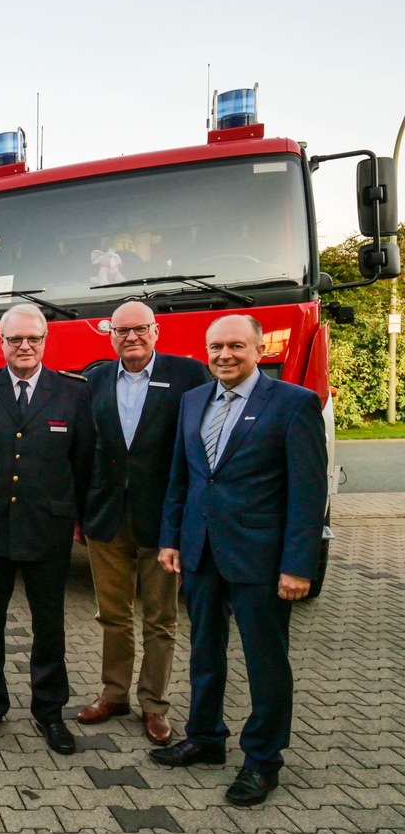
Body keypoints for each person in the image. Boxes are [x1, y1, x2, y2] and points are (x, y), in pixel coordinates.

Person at [153, 313, 326, 806]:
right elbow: (182, 479)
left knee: (265, 662)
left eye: (235, 346)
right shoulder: (192, 401)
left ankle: (262, 760)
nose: (224, 355)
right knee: (205, 653)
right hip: (202, 552)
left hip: (261, 559)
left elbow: (307, 495)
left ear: (258, 349)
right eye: (215, 347)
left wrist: (298, 565)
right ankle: (206, 738)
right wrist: (172, 539)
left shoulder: (294, 404)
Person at [0, 303, 94, 755]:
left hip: (47, 527)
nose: (24, 346)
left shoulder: (73, 393)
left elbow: (84, 461)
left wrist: (80, 518)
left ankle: (50, 711)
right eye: (15, 339)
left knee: (49, 625)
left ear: (44, 341)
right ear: (1, 343)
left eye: (33, 338)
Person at [76, 302, 211, 745]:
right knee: (112, 615)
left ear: (156, 331)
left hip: (162, 519)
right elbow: (83, 450)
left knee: (160, 619)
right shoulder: (92, 379)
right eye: (121, 331)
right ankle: (114, 694)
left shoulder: (189, 377)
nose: (131, 337)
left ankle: (154, 705)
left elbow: (199, 450)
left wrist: (191, 516)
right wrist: (80, 512)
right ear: (109, 335)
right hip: (106, 516)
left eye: (140, 329)